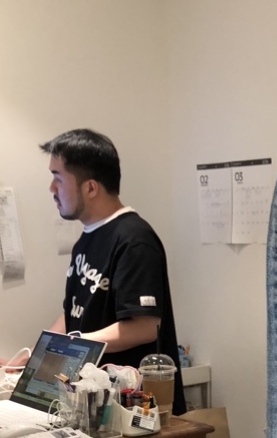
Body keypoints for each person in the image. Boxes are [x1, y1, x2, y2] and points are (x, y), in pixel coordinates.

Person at [40, 128, 186, 414]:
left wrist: (71, 346)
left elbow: (145, 326)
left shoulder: (134, 240)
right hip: (95, 405)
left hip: (138, 412)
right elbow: (75, 311)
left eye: (58, 178)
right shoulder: (86, 238)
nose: (52, 188)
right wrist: (39, 353)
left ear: (90, 188)